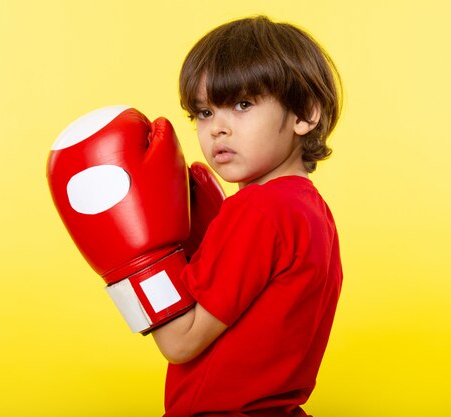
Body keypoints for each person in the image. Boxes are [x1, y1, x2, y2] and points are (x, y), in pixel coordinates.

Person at [150, 15, 343, 416]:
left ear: (305, 113)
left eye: (242, 104)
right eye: (203, 113)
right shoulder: (310, 211)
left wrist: (137, 265)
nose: (217, 128)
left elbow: (180, 342)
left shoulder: (258, 210)